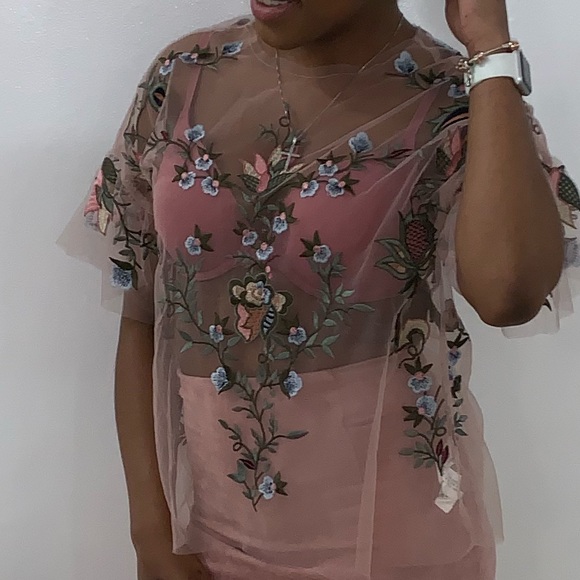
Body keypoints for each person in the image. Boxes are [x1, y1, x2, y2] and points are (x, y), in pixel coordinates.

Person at [59, 0, 580, 578]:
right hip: (206, 535)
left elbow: (508, 293)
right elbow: (141, 311)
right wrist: (149, 529)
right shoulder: (184, 76)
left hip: (395, 544)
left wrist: (490, 50)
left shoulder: (454, 98)